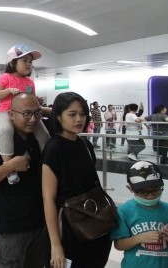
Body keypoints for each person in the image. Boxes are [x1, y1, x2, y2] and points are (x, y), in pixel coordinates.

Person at [0, 93, 50, 268]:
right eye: (26, 114)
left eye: (37, 114)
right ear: (10, 114)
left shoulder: (38, 138)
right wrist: (10, 166)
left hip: (39, 223)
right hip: (10, 227)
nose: (32, 119)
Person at [42, 92, 112, 268]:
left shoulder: (85, 145)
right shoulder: (54, 148)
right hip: (70, 227)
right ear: (58, 117)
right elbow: (48, 199)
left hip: (95, 222)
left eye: (82, 114)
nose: (78, 119)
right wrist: (55, 244)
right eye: (72, 114)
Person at [0, 44, 50, 185]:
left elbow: (32, 99)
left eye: (30, 61)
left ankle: (48, 162)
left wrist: (37, 103)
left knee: (44, 134)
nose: (28, 64)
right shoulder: (5, 77)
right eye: (24, 61)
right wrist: (8, 91)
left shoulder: (30, 82)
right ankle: (8, 167)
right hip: (7, 111)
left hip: (27, 114)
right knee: (6, 130)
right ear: (12, 62)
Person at [111, 160, 168, 268]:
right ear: (130, 188)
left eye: (155, 191)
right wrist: (138, 238)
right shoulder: (124, 211)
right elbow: (118, 245)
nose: (150, 196)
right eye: (143, 192)